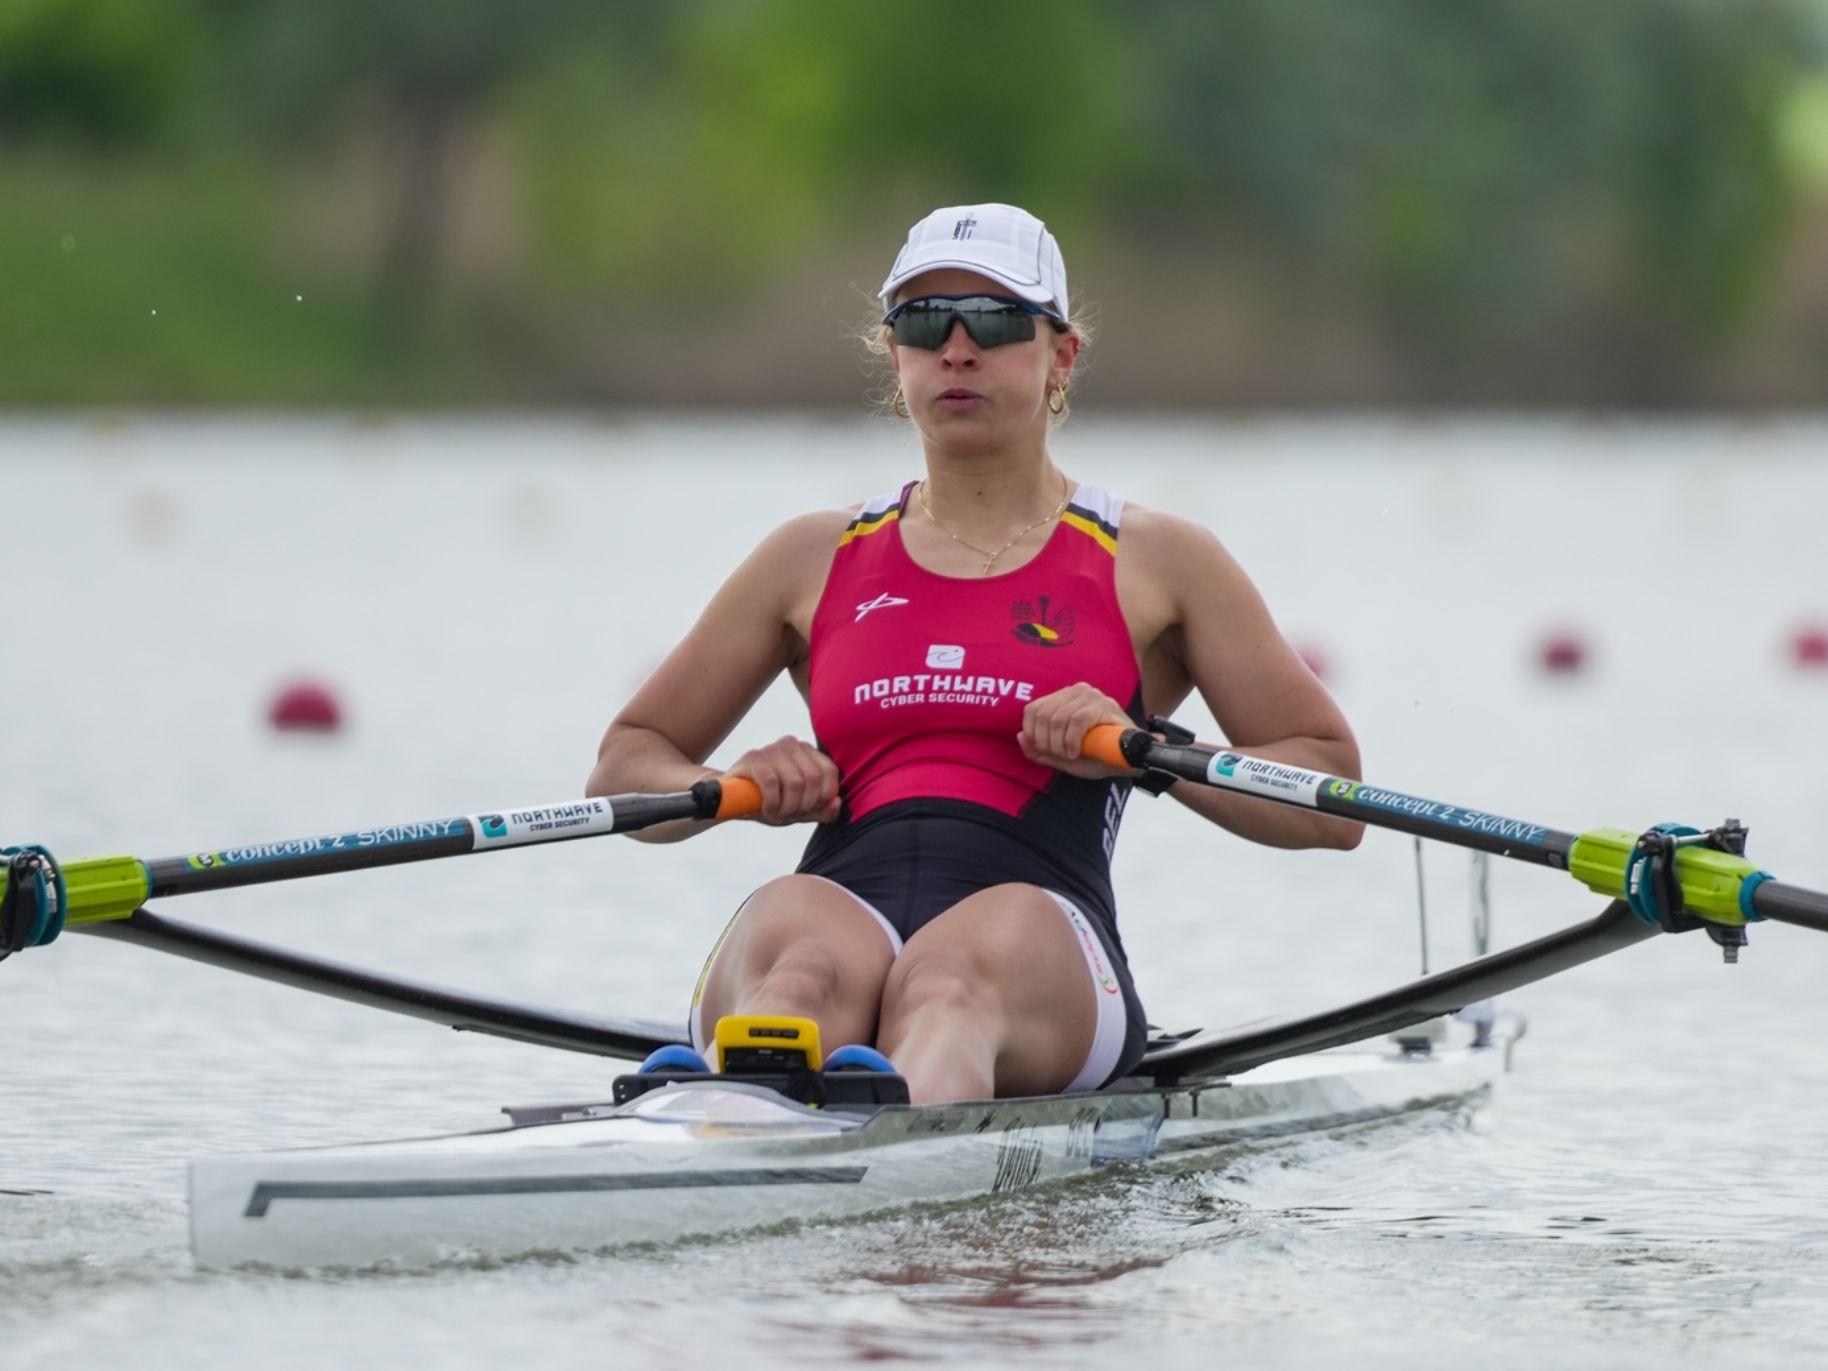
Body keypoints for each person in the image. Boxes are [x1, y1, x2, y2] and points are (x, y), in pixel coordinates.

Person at [587, 203, 1363, 1105]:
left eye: (994, 321)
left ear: (1060, 354)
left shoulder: (1157, 560)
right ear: (896, 354)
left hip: (1040, 934)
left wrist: (1148, 746)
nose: (957, 349)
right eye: (923, 323)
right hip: (839, 903)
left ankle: (865, 1146)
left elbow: (1330, 793)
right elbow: (623, 770)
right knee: (800, 967)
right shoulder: (810, 556)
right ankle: (729, 1122)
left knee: (949, 980)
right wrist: (727, 785)